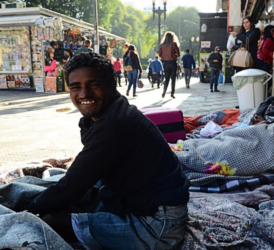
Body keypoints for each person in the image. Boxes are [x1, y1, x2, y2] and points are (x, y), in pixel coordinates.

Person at [25, 52, 190, 249]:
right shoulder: (111, 113)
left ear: (111, 85)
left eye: (94, 85)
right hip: (143, 206)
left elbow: (73, 185)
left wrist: (26, 211)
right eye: (75, 87)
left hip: (157, 227)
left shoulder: (114, 123)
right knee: (60, 192)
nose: (84, 94)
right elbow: (84, 173)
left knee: (49, 221)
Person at [159, 31, 180, 99]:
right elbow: (178, 54)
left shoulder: (162, 45)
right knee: (173, 78)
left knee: (166, 78)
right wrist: (174, 55)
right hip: (173, 62)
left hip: (165, 63)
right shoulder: (173, 44)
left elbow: (160, 54)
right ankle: (172, 93)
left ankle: (164, 89)